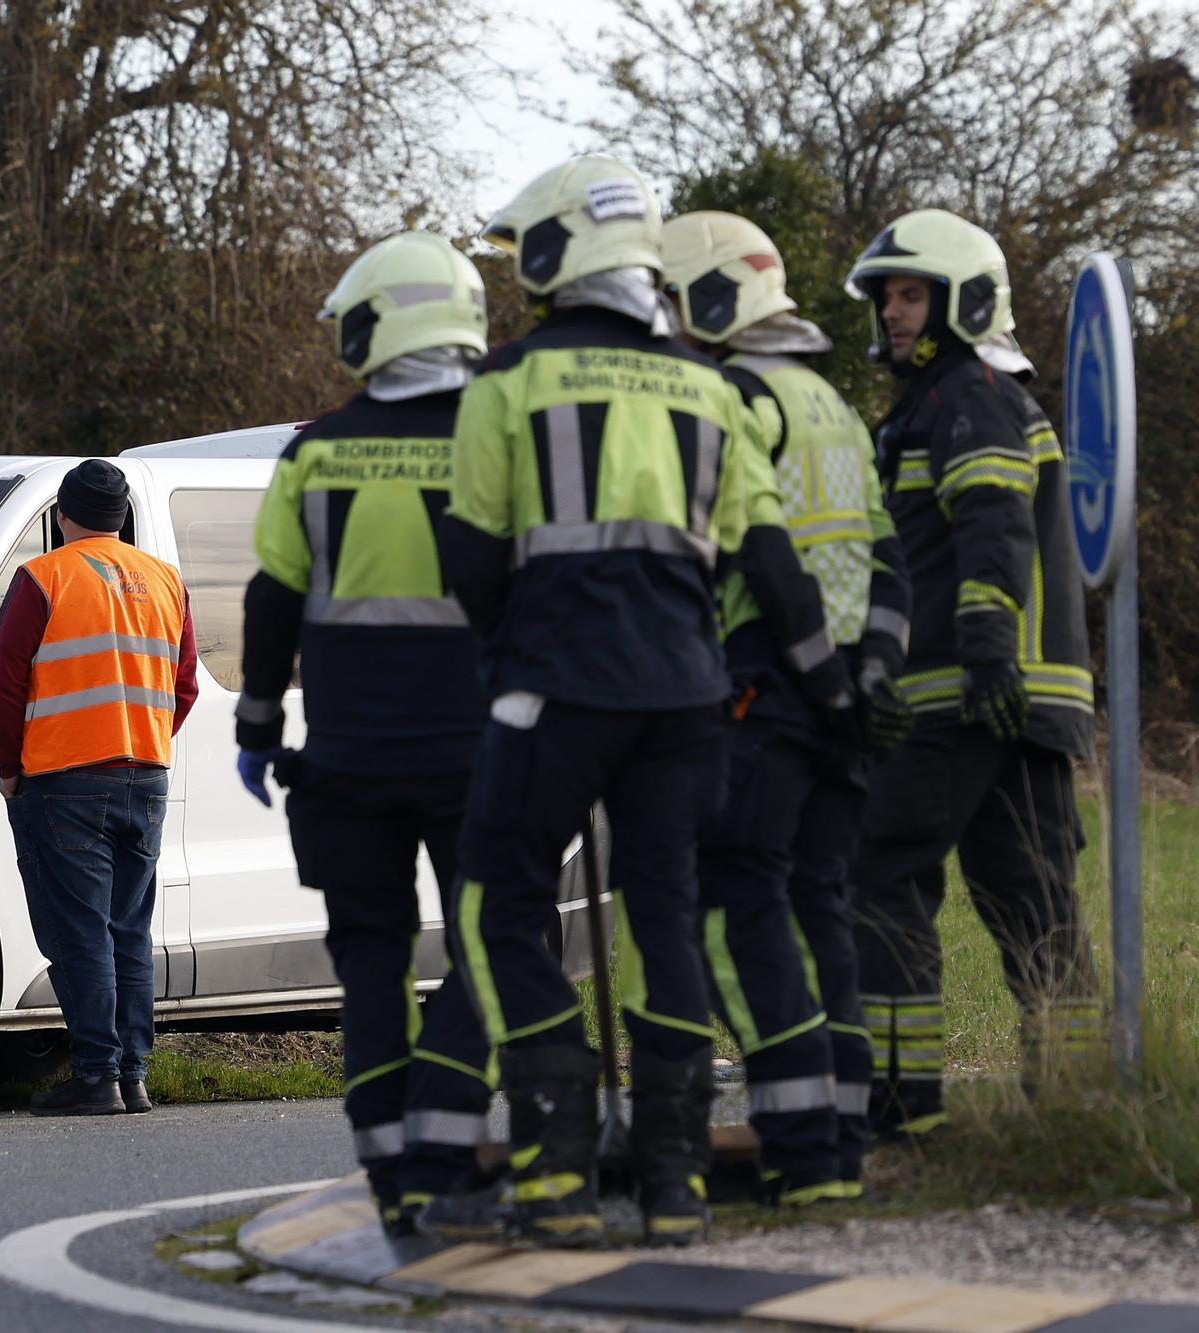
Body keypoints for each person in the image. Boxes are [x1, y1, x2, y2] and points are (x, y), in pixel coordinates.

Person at [427, 154, 839, 1248]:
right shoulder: (708, 387)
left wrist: (508, 652)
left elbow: (468, 555)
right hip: (686, 701)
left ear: (565, 250)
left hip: (553, 688)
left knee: (496, 905)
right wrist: (828, 687)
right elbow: (765, 556)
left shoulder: (507, 383)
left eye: (528, 251)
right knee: (665, 918)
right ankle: (673, 1183)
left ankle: (556, 1174)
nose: (519, 272)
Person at [236, 231, 495, 1237]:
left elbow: (272, 597)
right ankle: (442, 1128)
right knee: (488, 948)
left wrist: (258, 719)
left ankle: (388, 1168)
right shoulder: (498, 438)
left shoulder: (317, 447)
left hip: (345, 762)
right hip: (481, 757)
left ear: (383, 322)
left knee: (370, 962)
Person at [660, 211, 912, 1202]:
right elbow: (886, 555)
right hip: (843, 701)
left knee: (738, 908)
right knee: (821, 906)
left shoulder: (732, 394)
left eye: (677, 302)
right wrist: (869, 675)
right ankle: (841, 1143)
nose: (670, 326)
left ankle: (801, 1148)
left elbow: (760, 553)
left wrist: (813, 674)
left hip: (767, 692)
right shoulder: (829, 400)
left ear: (713, 298)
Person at [844, 210, 1097, 1142]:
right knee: (1038, 913)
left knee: (883, 878)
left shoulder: (967, 396)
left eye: (912, 294)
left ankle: (901, 1110)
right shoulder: (954, 399)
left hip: (966, 695)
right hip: (1018, 705)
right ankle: (1076, 1109)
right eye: (889, 298)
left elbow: (993, 525)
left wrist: (986, 656)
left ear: (964, 301)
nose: (895, 314)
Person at [0, 459, 200, 1116]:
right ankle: (133, 1075)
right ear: (123, 516)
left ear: (61, 516)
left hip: (64, 781)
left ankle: (96, 1074)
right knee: (128, 931)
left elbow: (5, 681)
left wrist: (8, 762)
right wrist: (145, 737)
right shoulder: (165, 580)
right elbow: (184, 684)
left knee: (79, 930)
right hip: (146, 776)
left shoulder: (42, 576)